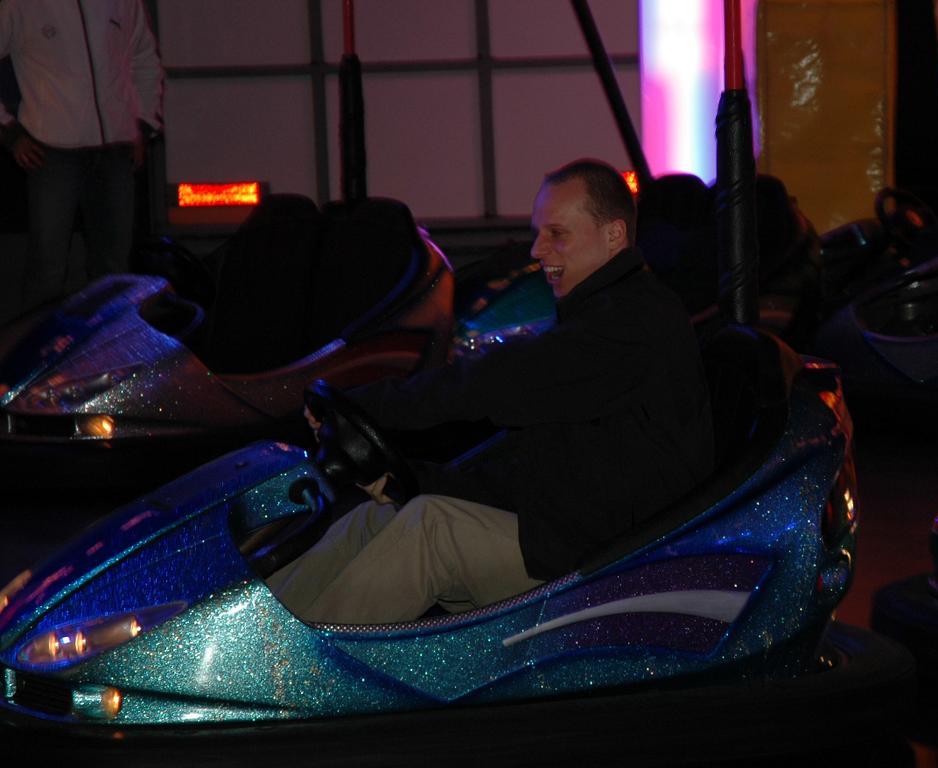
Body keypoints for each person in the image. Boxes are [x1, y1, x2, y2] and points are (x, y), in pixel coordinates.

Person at [268, 159, 715, 625]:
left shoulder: (633, 323)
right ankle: (260, 639)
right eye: (538, 233)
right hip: (571, 528)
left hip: (619, 559)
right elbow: (529, 463)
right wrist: (415, 481)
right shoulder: (599, 317)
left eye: (556, 234)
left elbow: (492, 384)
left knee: (432, 530)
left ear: (614, 236)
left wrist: (372, 403)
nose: (538, 250)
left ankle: (303, 677)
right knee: (374, 518)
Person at [0, 0, 164, 312]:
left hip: (115, 150)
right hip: (52, 151)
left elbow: (144, 60)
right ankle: (42, 355)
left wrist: (141, 125)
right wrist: (9, 132)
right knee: (48, 270)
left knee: (114, 268)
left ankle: (109, 353)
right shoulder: (23, 4)